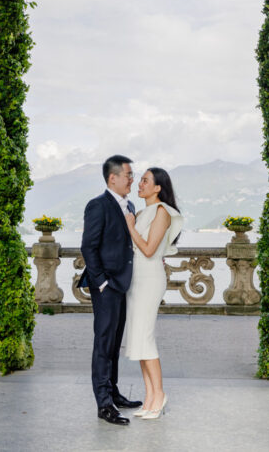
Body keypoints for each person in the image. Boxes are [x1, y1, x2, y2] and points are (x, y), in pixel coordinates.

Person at [78, 155, 144, 426]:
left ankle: (114, 392)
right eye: (128, 174)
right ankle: (104, 404)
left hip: (122, 283)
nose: (132, 179)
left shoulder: (130, 205)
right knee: (103, 344)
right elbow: (88, 247)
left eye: (132, 174)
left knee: (115, 342)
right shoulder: (97, 205)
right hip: (106, 287)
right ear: (112, 178)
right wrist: (102, 282)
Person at [123, 167, 183, 421]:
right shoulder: (141, 212)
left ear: (158, 187)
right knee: (138, 338)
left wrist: (130, 227)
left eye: (146, 180)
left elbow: (148, 249)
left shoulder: (162, 212)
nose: (140, 183)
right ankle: (149, 397)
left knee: (145, 338)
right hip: (136, 280)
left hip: (149, 279)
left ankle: (159, 394)